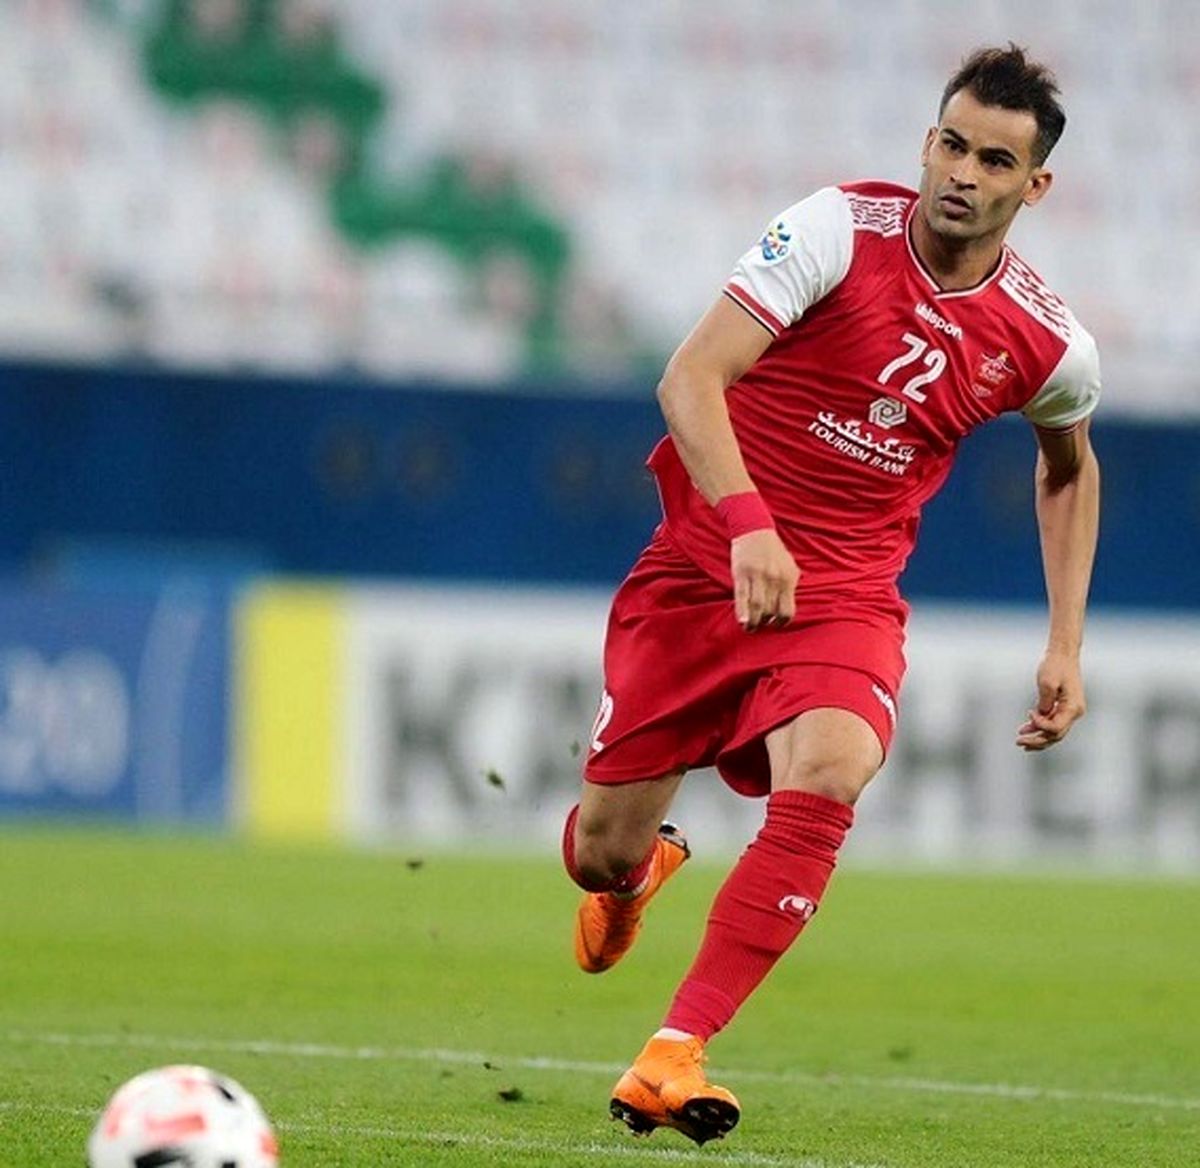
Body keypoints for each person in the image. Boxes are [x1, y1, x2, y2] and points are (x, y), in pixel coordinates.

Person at [561, 44, 1101, 1145]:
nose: (964, 174)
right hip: (703, 569)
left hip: (845, 595)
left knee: (837, 764)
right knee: (598, 850)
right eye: (952, 145)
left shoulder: (1049, 342)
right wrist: (747, 525)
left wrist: (1065, 642)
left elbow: (1069, 470)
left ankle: (676, 1047)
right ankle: (637, 872)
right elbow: (689, 377)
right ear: (927, 143)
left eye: (995, 160)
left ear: (1034, 185)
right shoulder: (835, 231)